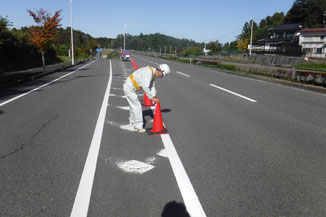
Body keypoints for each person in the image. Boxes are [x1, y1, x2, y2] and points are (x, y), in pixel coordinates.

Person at [123, 64, 170, 133]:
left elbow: (152, 86)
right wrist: (152, 98)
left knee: (134, 106)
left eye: (161, 76)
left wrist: (154, 96)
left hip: (130, 87)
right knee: (137, 106)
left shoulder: (153, 75)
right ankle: (138, 127)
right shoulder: (148, 72)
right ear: (160, 70)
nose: (160, 76)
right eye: (161, 74)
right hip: (129, 87)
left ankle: (132, 123)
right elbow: (145, 87)